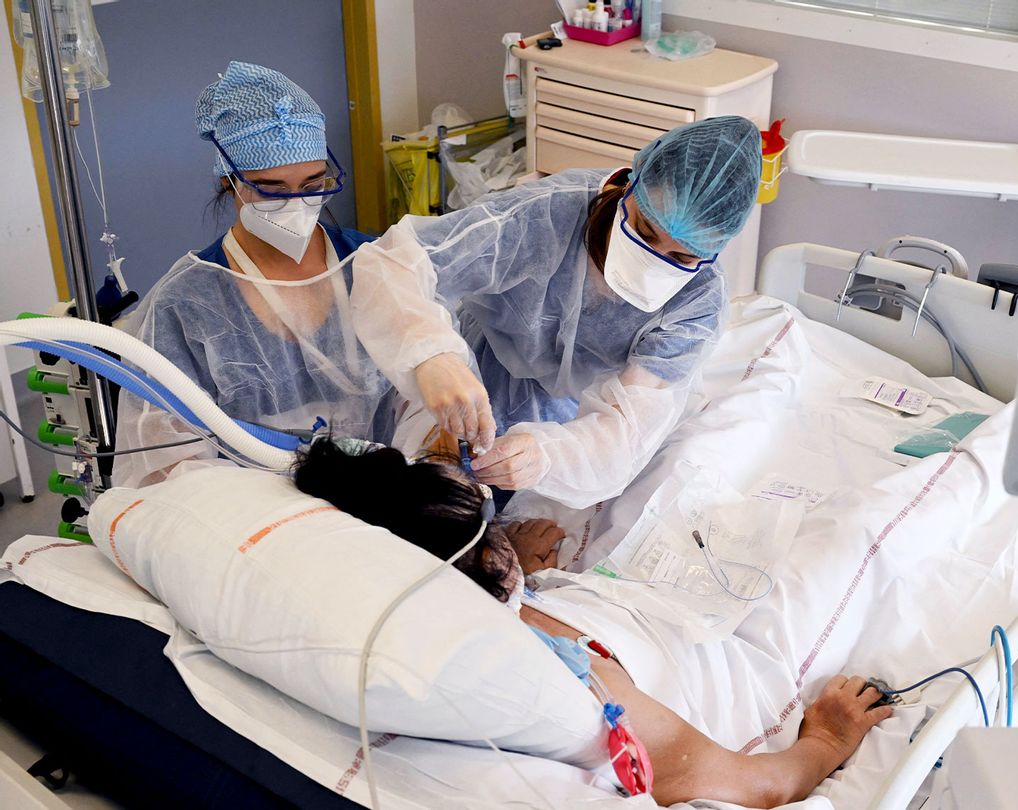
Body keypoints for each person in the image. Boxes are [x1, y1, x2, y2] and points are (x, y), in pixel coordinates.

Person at [293, 437, 891, 809]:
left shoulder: (426, 605)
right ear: (473, 566)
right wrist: (827, 739)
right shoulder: (583, 690)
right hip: (706, 640)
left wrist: (513, 572)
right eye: (490, 528)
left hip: (589, 601)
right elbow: (760, 788)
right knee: (854, 528)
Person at [351, 116, 763, 508]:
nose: (652, 259)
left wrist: (550, 457)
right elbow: (398, 263)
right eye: (644, 230)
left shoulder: (698, 302)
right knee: (420, 489)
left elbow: (625, 431)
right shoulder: (549, 213)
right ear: (631, 183)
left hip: (584, 415)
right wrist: (431, 355)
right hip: (475, 368)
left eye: (681, 256)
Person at [115, 61, 408, 488]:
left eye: (312, 185)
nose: (297, 205)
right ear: (229, 182)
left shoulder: (372, 263)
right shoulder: (187, 302)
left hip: (381, 502)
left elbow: (421, 402)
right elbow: (164, 462)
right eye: (272, 189)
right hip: (254, 521)